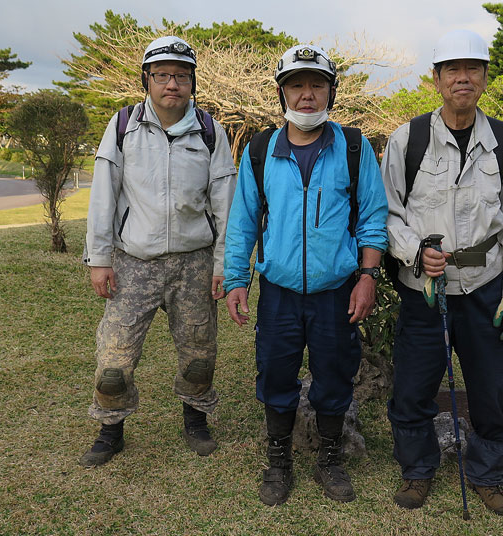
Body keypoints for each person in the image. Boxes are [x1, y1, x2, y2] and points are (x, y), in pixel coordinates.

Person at [223, 44, 388, 506]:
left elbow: (373, 218)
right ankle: (278, 461)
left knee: (334, 376)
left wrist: (368, 277)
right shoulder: (260, 151)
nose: (308, 94)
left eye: (317, 84)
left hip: (336, 291)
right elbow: (243, 222)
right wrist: (237, 279)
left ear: (331, 91)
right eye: (297, 85)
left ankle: (330, 459)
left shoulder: (353, 148)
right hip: (278, 291)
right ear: (283, 94)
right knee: (276, 373)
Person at [380, 29, 503, 517]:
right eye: (452, 70)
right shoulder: (409, 138)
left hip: (485, 290)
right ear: (437, 79)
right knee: (413, 388)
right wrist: (412, 252)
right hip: (423, 291)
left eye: (472, 69)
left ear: (485, 77)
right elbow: (387, 213)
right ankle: (417, 470)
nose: (462, 78)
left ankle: (487, 476)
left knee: (491, 390)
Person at [79, 36, 237, 467]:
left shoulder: (209, 131)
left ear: (192, 83)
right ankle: (110, 429)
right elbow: (103, 197)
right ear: (146, 80)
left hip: (195, 262)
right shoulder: (124, 125)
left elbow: (225, 202)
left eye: (182, 76)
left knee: (199, 354)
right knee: (114, 360)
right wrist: (100, 259)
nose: (173, 84)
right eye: (163, 75)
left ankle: (196, 419)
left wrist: (225, 264)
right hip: (135, 263)